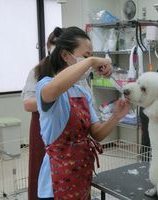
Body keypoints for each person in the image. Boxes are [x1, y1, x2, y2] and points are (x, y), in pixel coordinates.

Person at [35, 26, 130, 199]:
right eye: (85, 55)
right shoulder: (45, 85)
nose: (90, 61)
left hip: (80, 176)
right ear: (65, 55)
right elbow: (52, 90)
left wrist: (116, 115)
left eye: (90, 56)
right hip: (55, 183)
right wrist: (92, 61)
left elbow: (97, 134)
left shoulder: (81, 92)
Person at [21, 27, 63, 200]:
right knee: (41, 169)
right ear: (49, 48)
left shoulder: (76, 72)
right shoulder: (38, 71)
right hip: (43, 127)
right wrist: (52, 95)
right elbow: (28, 104)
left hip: (67, 128)